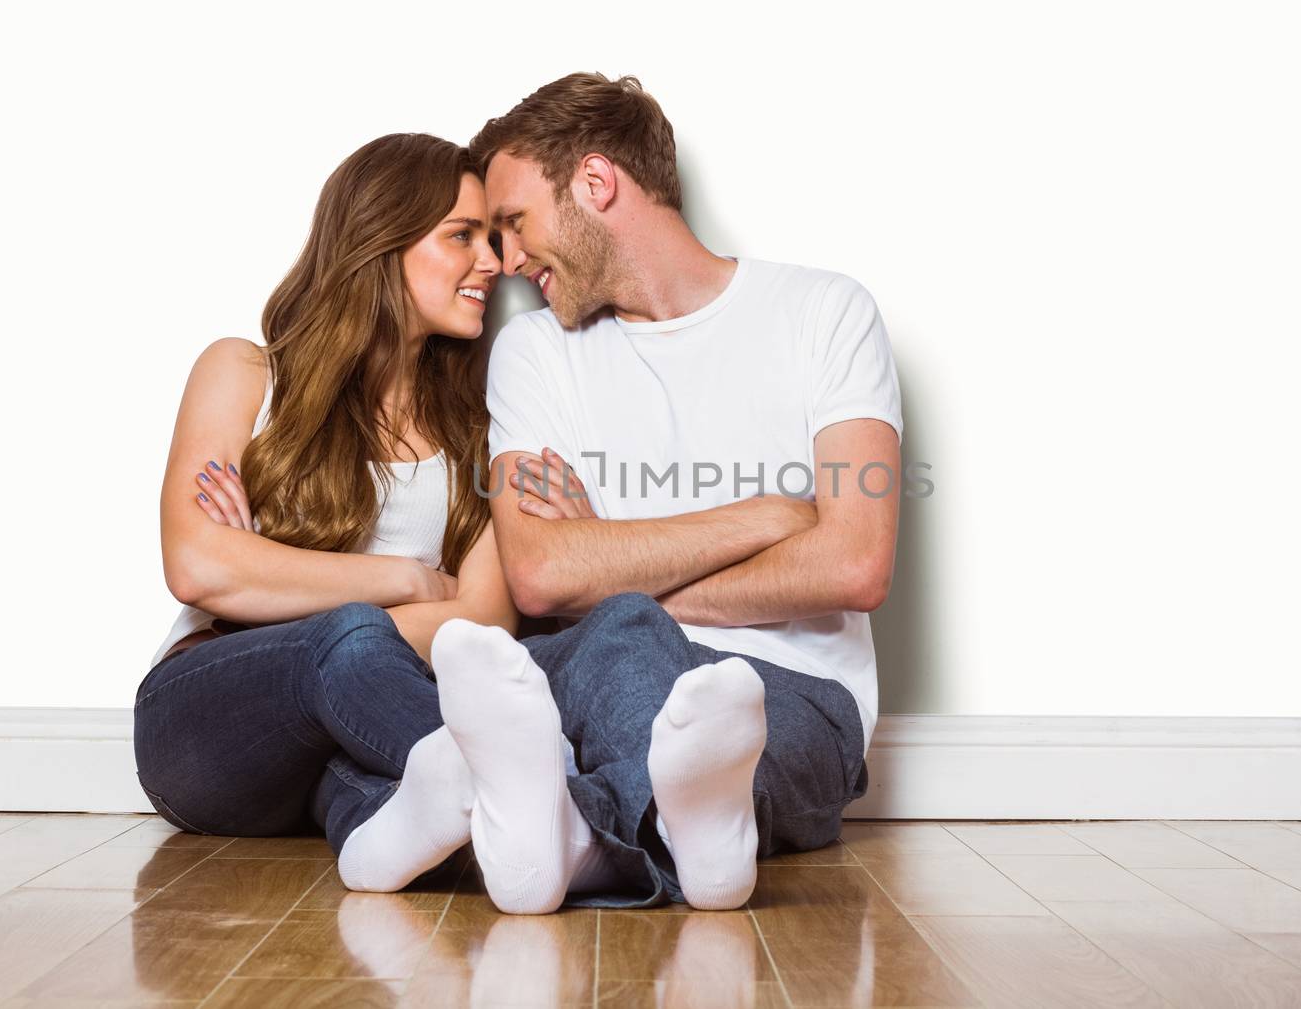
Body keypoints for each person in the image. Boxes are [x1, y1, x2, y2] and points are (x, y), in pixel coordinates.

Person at [424, 73, 903, 914]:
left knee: (677, 678)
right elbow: (540, 575)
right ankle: (698, 842)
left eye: (514, 222)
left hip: (791, 693)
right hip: (607, 665)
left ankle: (577, 839)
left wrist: (611, 553)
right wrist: (764, 519)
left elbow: (855, 562)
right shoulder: (533, 353)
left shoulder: (825, 313)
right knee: (622, 640)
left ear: (596, 184)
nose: (503, 260)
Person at [133, 132, 523, 893]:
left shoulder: (480, 422)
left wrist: (269, 590)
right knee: (346, 638)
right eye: (462, 236)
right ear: (382, 238)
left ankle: (397, 843)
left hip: (349, 741)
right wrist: (406, 578)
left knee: (386, 789)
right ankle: (553, 805)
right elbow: (197, 564)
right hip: (206, 727)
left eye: (496, 238)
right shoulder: (246, 373)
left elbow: (484, 617)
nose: (495, 263)